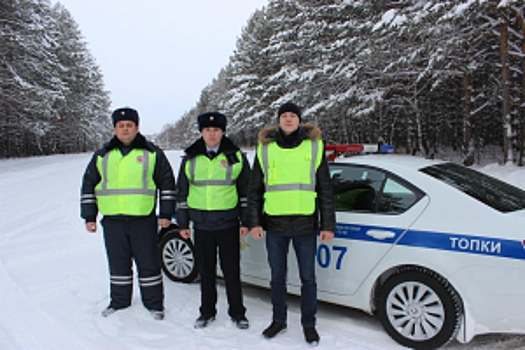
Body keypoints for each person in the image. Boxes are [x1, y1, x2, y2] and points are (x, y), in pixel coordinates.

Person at [248, 101, 336, 345]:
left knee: (308, 278)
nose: (288, 119)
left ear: (299, 120)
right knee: (277, 277)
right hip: (274, 224)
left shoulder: (314, 147)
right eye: (284, 115)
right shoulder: (266, 149)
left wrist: (327, 225)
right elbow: (254, 189)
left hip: (305, 224)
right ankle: (279, 321)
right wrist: (255, 222)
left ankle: (309, 324)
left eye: (292, 116)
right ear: (279, 120)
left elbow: (325, 189)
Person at [80, 107, 176, 320]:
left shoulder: (152, 154)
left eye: (129, 125)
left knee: (148, 263)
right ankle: (119, 301)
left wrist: (166, 213)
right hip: (113, 221)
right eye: (121, 126)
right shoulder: (102, 156)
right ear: (115, 129)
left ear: (137, 127)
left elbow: (167, 185)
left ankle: (154, 305)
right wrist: (89, 216)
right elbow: (88, 185)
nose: (125, 129)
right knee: (118, 263)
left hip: (143, 220)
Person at [177, 111, 250, 330]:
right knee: (206, 272)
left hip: (228, 224)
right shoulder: (190, 159)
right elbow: (181, 194)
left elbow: (246, 193)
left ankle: (238, 313)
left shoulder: (236, 157)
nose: (212, 134)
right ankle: (207, 312)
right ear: (201, 132)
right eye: (207, 130)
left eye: (216, 130)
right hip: (201, 225)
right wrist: (182, 224)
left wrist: (245, 221)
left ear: (222, 132)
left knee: (231, 271)